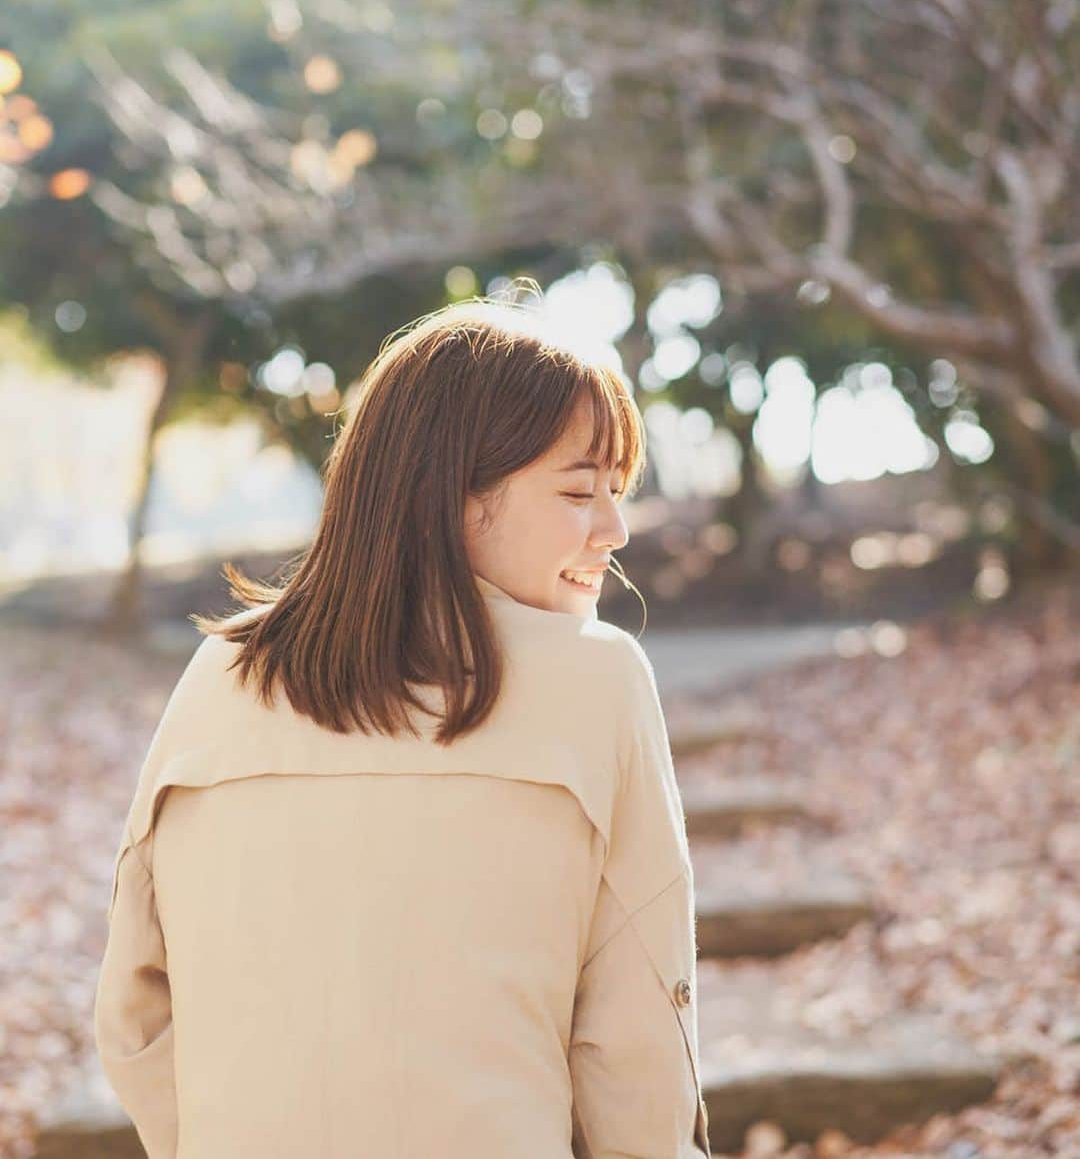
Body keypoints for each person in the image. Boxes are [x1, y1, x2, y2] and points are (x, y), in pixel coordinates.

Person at [93, 282, 712, 1158]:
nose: (616, 527)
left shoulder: (219, 675)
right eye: (581, 492)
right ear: (454, 495)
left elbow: (134, 1015)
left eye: (619, 489)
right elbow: (636, 1049)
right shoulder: (598, 680)